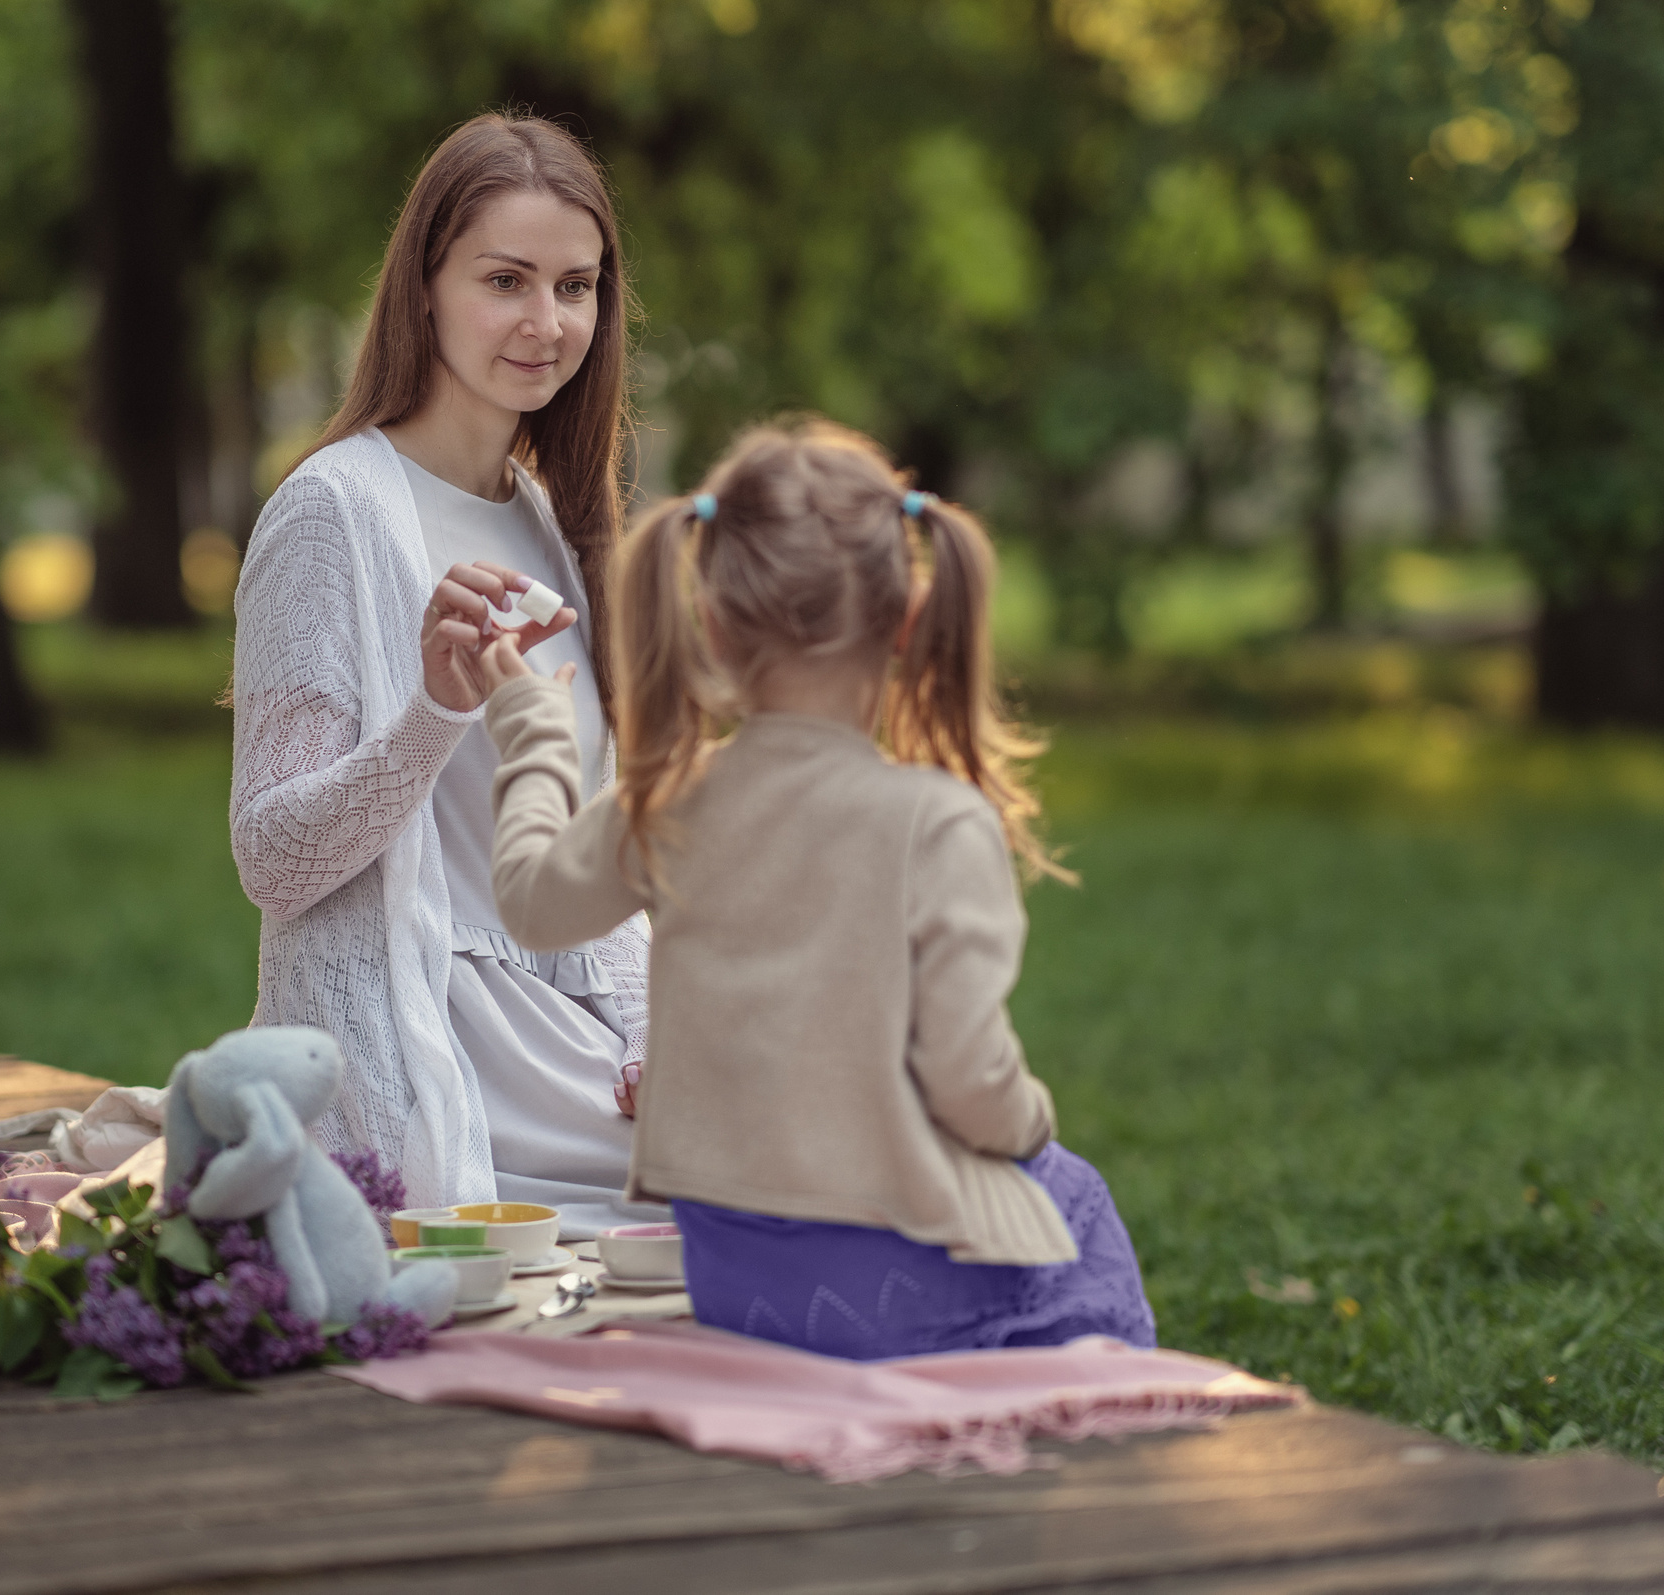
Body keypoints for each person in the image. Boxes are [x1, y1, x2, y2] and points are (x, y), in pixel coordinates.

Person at [473, 418, 1156, 1359]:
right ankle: (1087, 1421)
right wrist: (1030, 1122)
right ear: (911, 622)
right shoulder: (939, 820)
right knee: (1070, 1192)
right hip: (885, 1281)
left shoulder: (667, 799)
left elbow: (531, 901)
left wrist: (534, 735)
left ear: (709, 621)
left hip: (730, 1269)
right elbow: (970, 1082)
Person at [227, 114, 659, 1233]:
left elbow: (588, 841)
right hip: (436, 1040)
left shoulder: (555, 522)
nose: (546, 322)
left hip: (576, 1036)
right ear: (424, 286)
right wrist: (435, 712)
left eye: (576, 286)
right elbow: (273, 861)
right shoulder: (330, 513)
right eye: (504, 280)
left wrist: (658, 1023)